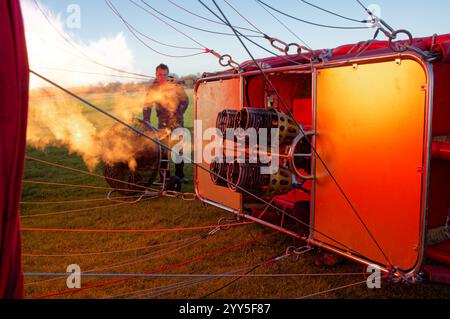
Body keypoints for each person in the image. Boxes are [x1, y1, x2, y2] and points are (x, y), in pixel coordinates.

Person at [143, 63, 189, 183]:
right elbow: (147, 105)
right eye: (160, 74)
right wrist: (146, 120)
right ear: (156, 75)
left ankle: (180, 176)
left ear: (168, 74)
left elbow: (186, 101)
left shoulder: (175, 85)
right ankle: (164, 177)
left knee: (179, 149)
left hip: (177, 122)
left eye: (165, 74)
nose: (162, 77)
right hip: (162, 123)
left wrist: (180, 112)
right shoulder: (153, 89)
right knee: (163, 151)